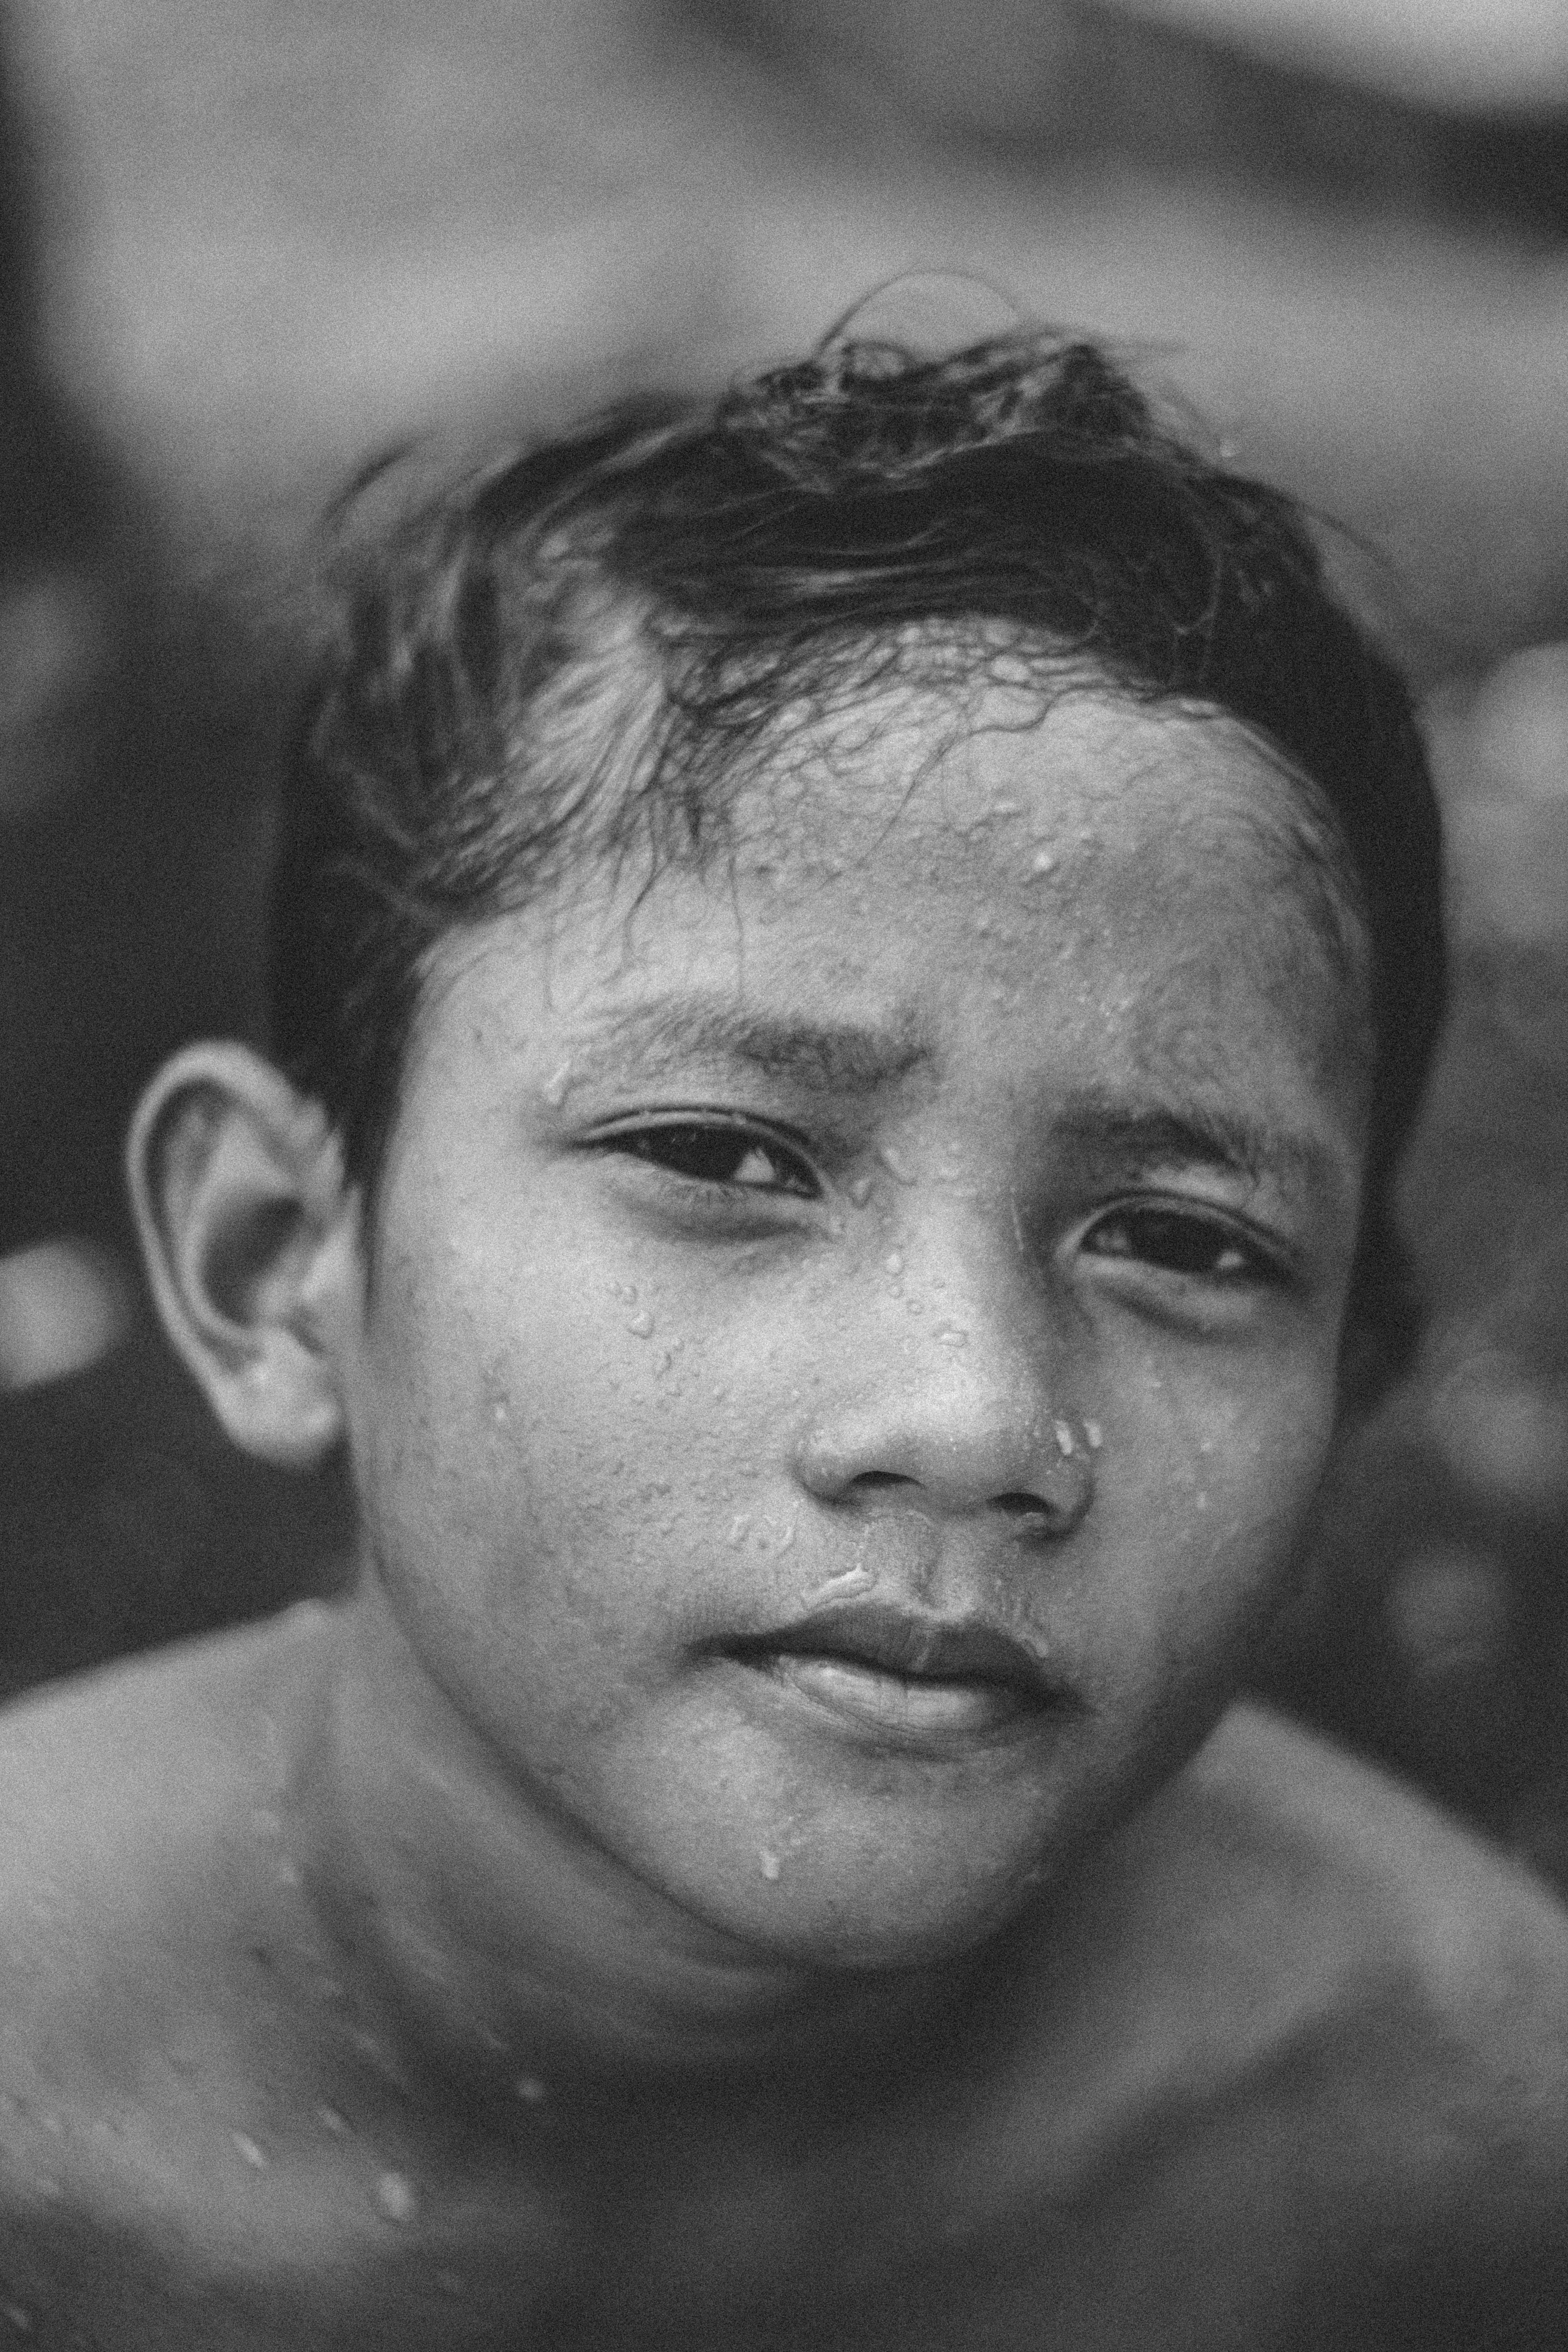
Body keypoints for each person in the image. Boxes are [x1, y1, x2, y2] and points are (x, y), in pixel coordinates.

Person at [0, 328, 1563, 2350]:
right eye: (728, 1155)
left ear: (1349, 1396)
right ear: (273, 1254)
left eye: (1180, 1239)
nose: (979, 1413)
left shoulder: (1449, 2143)